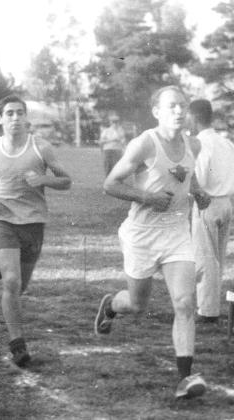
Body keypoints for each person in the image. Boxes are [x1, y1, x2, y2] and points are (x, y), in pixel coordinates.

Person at [93, 86, 212, 399]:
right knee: (137, 304)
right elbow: (110, 184)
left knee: (185, 303)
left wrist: (198, 192)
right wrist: (147, 197)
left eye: (182, 106)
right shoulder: (144, 143)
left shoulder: (193, 144)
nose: (178, 111)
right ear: (156, 111)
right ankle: (111, 305)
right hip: (142, 235)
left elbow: (189, 176)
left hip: (176, 233)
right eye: (171, 106)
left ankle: (185, 378)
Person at [0, 95, 72, 367]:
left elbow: (66, 181)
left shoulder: (41, 148)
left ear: (26, 118)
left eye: (19, 113)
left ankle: (1, 264)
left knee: (21, 285)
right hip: (2, 219)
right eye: (9, 113)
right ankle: (18, 344)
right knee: (12, 282)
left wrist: (43, 180)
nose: (15, 118)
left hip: (33, 222)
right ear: (0, 119)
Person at [186, 99, 234, 324]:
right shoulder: (226, 143)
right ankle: (210, 305)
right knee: (216, 257)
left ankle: (207, 310)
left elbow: (200, 179)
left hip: (207, 202)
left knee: (205, 258)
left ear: (194, 118)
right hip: (225, 202)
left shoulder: (199, 144)